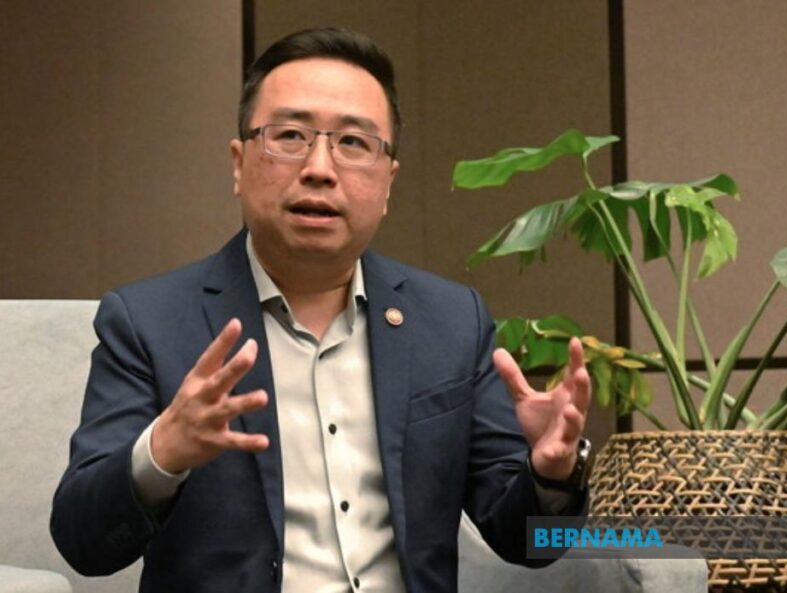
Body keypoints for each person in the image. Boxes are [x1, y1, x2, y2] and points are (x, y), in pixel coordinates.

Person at [50, 27, 591, 593]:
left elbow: (527, 544)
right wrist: (161, 453)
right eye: (289, 135)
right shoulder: (149, 322)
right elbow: (83, 544)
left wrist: (551, 475)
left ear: (388, 182)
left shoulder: (452, 321)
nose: (319, 168)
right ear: (238, 163)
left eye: (353, 143)